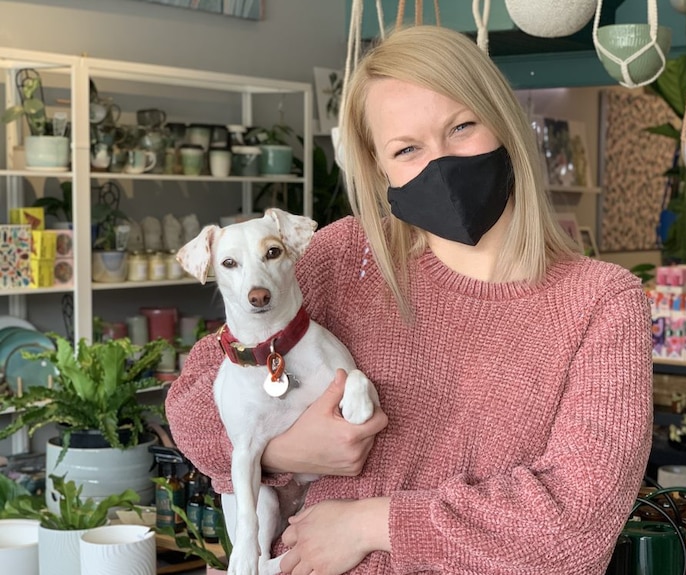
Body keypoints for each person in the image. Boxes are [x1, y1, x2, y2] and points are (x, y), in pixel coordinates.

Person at [166, 24, 652, 575]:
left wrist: (373, 524)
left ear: (506, 122)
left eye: (462, 126)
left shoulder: (601, 302)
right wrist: (280, 451)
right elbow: (191, 403)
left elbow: (575, 523)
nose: (441, 163)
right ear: (379, 168)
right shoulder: (347, 254)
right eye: (407, 148)